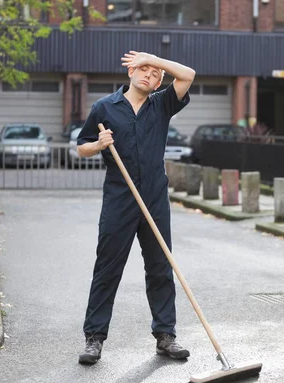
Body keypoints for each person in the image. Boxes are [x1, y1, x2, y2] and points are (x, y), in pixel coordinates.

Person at [75, 50, 196, 365]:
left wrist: (155, 58)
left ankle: (165, 336)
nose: (150, 75)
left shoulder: (162, 104)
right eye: (144, 69)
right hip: (120, 197)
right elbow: (80, 148)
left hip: (155, 197)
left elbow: (188, 75)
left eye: (155, 74)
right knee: (107, 268)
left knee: (160, 267)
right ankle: (94, 339)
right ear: (130, 73)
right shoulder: (105, 108)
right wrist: (98, 145)